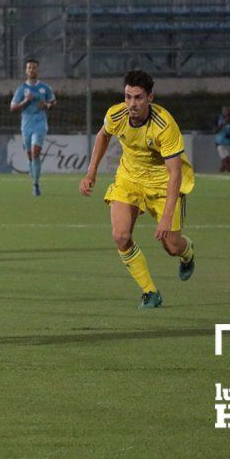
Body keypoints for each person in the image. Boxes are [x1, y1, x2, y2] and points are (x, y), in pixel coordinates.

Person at [78, 70, 195, 309]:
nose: (132, 103)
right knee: (120, 235)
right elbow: (103, 136)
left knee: (171, 245)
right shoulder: (116, 114)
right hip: (129, 179)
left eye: (138, 97)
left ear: (150, 97)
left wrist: (165, 218)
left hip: (162, 184)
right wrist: (91, 172)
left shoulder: (164, 125)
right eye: (128, 96)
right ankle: (150, 292)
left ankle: (187, 252)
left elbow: (175, 174)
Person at [10, 59, 56, 196]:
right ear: (26, 70)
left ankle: (36, 185)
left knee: (36, 152)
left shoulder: (45, 88)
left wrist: (47, 105)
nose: (31, 70)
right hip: (26, 126)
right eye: (29, 68)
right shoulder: (21, 90)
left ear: (37, 70)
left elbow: (53, 102)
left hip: (40, 124)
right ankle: (34, 179)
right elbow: (12, 107)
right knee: (30, 155)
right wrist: (25, 101)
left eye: (34, 68)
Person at [215, 105, 230, 172]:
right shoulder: (219, 118)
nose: (225, 112)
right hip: (220, 142)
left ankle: (221, 172)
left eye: (227, 110)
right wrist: (223, 123)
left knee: (226, 160)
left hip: (229, 142)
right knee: (226, 159)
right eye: (224, 110)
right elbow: (216, 129)